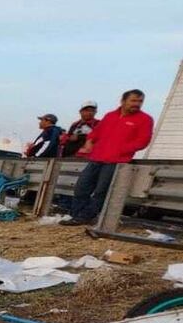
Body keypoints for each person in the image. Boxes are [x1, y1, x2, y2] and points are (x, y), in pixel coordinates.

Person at [63, 89, 154, 226]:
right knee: (81, 187)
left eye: (140, 101)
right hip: (96, 158)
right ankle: (77, 216)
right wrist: (89, 142)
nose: (137, 104)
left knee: (101, 192)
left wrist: (122, 150)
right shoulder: (110, 116)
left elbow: (143, 141)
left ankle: (84, 217)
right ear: (123, 101)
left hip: (116, 161)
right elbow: (96, 133)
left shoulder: (145, 119)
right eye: (133, 100)